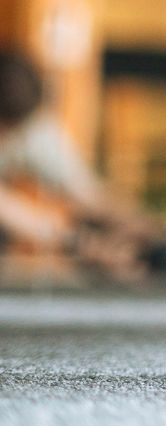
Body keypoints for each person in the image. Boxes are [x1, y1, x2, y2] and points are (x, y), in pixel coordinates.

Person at [0, 50, 157, 277]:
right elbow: (10, 211)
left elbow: (87, 192)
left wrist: (148, 228)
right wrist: (82, 243)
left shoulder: (26, 122)